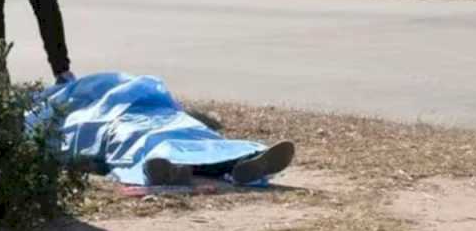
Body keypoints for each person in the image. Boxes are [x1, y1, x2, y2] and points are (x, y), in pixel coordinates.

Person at [27, 73, 296, 187]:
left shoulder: (58, 98)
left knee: (182, 132)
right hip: (125, 118)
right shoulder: (55, 104)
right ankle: (236, 161)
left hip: (144, 111)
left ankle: (243, 162)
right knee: (160, 136)